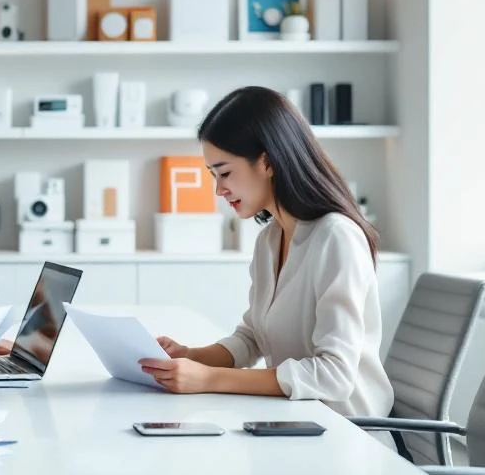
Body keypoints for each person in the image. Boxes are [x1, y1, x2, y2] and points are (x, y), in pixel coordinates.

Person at [140, 86, 393, 418]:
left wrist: (210, 379)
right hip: (295, 419)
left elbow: (334, 375)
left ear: (268, 161)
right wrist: (190, 356)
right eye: (213, 176)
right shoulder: (270, 239)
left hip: (347, 429)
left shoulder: (336, 237)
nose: (219, 190)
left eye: (225, 173)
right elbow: (253, 338)